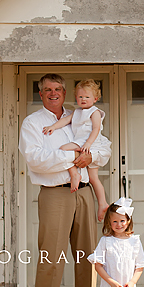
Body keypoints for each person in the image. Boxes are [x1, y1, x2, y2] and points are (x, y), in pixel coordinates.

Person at [19, 73, 112, 287]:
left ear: (64, 92)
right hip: (54, 194)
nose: (53, 93)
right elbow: (36, 159)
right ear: (41, 94)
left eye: (58, 89)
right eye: (47, 89)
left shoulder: (81, 115)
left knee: (87, 256)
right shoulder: (33, 123)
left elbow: (103, 148)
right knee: (52, 256)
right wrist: (74, 157)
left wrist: (90, 156)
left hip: (84, 193)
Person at [42, 79, 111, 221]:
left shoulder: (95, 112)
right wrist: (53, 127)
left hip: (90, 144)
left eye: (87, 97)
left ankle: (75, 175)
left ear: (95, 99)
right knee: (93, 178)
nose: (83, 99)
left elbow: (96, 129)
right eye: (80, 97)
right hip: (82, 143)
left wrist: (88, 143)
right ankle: (102, 204)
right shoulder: (77, 112)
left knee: (63, 148)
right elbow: (65, 121)